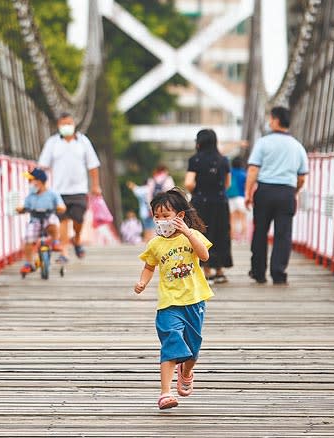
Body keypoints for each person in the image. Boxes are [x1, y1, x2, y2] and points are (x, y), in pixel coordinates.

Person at [134, 188, 213, 410]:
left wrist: (188, 233)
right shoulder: (155, 244)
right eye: (156, 217)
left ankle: (186, 372)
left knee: (193, 348)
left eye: (166, 216)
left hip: (194, 300)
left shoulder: (193, 237)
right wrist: (143, 282)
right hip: (169, 303)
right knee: (170, 342)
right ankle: (165, 393)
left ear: (179, 216)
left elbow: (204, 256)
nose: (161, 222)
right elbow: (149, 266)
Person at [245, 106, 309, 285]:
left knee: (260, 232)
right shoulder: (297, 146)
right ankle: (278, 273)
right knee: (283, 234)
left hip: (265, 191)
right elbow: (302, 177)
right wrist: (294, 191)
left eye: (270, 118)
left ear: (275, 120)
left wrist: (248, 192)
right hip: (286, 193)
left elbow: (253, 169)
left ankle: (258, 272)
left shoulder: (263, 143)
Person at [38, 112, 102, 262]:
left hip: (79, 189)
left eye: (69, 123)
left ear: (74, 124)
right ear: (58, 126)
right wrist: (39, 184)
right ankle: (64, 252)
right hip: (59, 191)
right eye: (63, 124)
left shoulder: (83, 142)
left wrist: (96, 186)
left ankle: (77, 239)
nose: (66, 127)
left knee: (78, 220)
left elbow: (93, 165)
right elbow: (43, 166)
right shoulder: (52, 143)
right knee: (63, 221)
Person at [184, 129, 233, 284]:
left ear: (199, 142)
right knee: (221, 233)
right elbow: (228, 183)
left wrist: (197, 190)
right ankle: (219, 270)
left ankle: (207, 271)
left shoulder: (195, 160)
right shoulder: (223, 160)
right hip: (220, 202)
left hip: (201, 202)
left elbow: (189, 183)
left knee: (203, 233)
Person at [16, 168, 66, 275]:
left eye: (31, 180)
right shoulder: (31, 196)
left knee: (53, 224)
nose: (30, 183)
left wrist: (60, 208)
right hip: (35, 220)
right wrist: (21, 209)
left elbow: (61, 206)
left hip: (48, 217)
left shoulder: (52, 194)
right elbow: (25, 206)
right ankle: (28, 263)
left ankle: (55, 242)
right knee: (29, 239)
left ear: (39, 181)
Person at [126, 165, 175, 242]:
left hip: (148, 209)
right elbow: (171, 192)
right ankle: (158, 240)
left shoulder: (152, 181)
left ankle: (148, 241)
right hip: (164, 207)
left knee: (147, 227)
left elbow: (138, 191)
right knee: (156, 226)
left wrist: (151, 206)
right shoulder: (168, 179)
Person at [227, 156, 248, 241]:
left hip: (231, 198)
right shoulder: (244, 174)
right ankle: (243, 238)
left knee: (232, 220)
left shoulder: (230, 173)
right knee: (243, 218)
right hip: (241, 198)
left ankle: (232, 238)